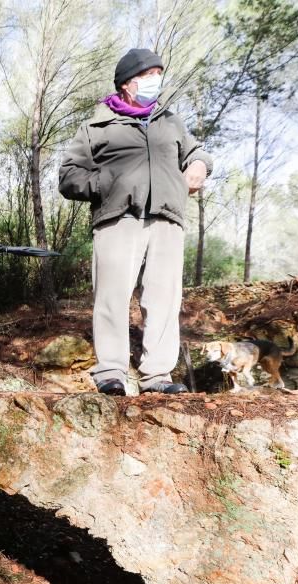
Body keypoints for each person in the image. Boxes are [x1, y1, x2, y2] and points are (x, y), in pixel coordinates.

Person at [59, 48, 213, 396]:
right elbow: (69, 176)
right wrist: (107, 184)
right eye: (148, 75)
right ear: (127, 83)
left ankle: (157, 376)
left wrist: (199, 166)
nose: (155, 81)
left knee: (164, 299)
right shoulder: (96, 126)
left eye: (159, 73)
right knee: (111, 296)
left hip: (167, 219)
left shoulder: (170, 121)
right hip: (118, 220)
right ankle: (111, 372)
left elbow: (196, 152)